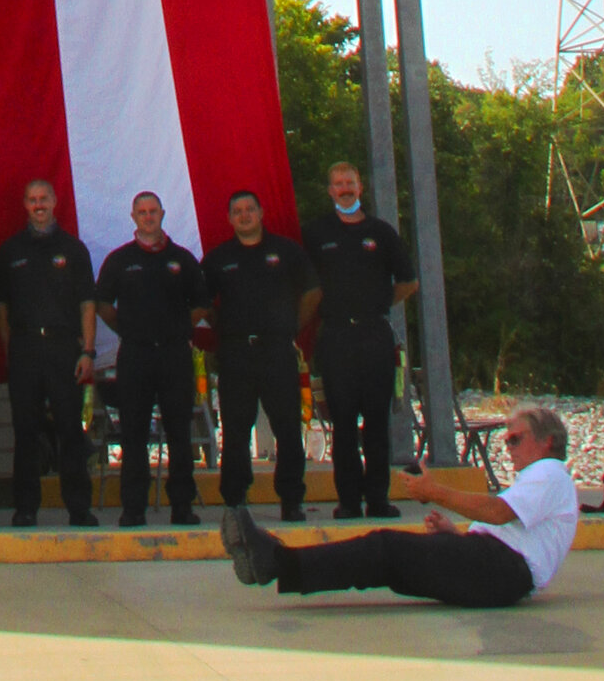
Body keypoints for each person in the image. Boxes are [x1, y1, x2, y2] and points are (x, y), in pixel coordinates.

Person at [226, 405, 582, 609]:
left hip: (502, 569)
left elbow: (497, 512)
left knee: (385, 550)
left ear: (547, 441)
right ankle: (279, 564)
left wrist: (434, 491)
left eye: (515, 438)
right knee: (387, 559)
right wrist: (455, 536)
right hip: (497, 568)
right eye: (505, 440)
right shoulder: (544, 480)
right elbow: (515, 529)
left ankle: (276, 562)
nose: (508, 447)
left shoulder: (549, 472)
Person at [303, 159, 416, 521]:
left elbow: (408, 282)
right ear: (330, 191)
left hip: (374, 336)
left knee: (377, 423)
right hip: (335, 336)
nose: (345, 189)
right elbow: (303, 284)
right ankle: (349, 501)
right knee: (344, 424)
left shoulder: (381, 233)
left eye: (350, 182)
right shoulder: (316, 234)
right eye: (338, 184)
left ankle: (378, 499)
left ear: (360, 187)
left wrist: (378, 304)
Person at [201, 187, 315, 524]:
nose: (244, 215)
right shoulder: (219, 258)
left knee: (288, 428)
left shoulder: (286, 252)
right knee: (235, 430)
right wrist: (224, 328)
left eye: (250, 209)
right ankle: (235, 501)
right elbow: (203, 303)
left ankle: (291, 500)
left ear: (262, 212)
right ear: (229, 218)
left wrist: (293, 327)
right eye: (237, 211)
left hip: (276, 350)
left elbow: (313, 291)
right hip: (236, 354)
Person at [94, 189, 206, 526]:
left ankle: (182, 507)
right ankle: (133, 508)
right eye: (141, 211)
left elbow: (201, 304)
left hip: (174, 354)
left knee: (179, 432)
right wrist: (128, 328)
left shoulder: (182, 259)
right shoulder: (120, 260)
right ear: (133, 217)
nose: (147, 216)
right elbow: (102, 304)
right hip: (136, 354)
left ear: (162, 213)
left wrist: (177, 329)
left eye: (153, 210)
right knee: (134, 433)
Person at [0, 178, 97, 527]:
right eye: (32, 199)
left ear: (54, 202)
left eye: (44, 199)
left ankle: (79, 508)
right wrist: (12, 350)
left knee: (69, 429)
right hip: (24, 349)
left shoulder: (73, 249)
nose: (38, 205)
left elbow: (87, 305)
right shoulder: (10, 251)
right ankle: (25, 509)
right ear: (24, 204)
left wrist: (88, 351)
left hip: (64, 348)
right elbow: (2, 309)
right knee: (26, 431)